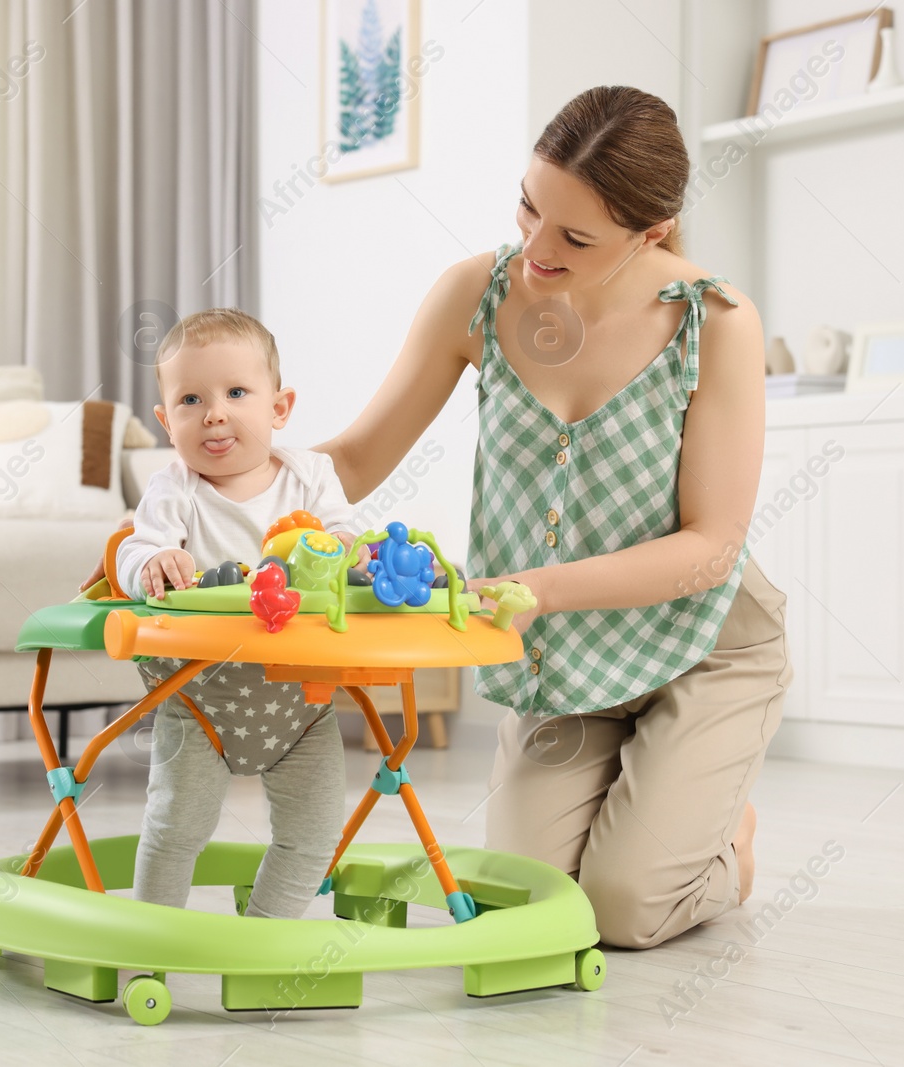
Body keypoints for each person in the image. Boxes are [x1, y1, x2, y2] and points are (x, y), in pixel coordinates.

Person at [309, 86, 794, 949]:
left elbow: (712, 548)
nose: (535, 247)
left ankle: (728, 840)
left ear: (651, 232)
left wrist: (533, 587)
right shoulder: (479, 293)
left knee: (622, 910)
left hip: (707, 648)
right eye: (529, 208)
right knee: (532, 907)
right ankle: (664, 817)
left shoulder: (713, 324)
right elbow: (354, 460)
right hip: (571, 662)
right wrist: (217, 480)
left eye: (574, 237)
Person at [110, 307, 359, 919]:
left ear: (279, 409)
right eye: (192, 399)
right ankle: (152, 940)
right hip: (201, 697)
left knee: (316, 834)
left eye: (236, 392)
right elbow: (135, 548)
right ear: (169, 422)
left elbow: (350, 535)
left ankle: (262, 938)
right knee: (176, 830)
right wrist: (153, 560)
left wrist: (360, 553)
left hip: (303, 701)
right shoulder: (177, 490)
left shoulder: (311, 478)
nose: (215, 412)